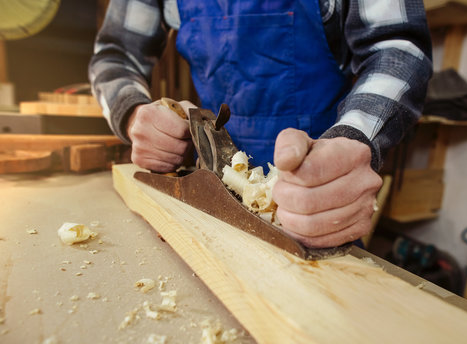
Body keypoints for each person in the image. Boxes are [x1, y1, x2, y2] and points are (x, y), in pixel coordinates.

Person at [89, 0, 433, 249]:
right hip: (211, 196)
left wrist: (355, 138)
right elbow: (116, 55)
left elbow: (398, 48)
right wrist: (133, 111)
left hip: (316, 194)